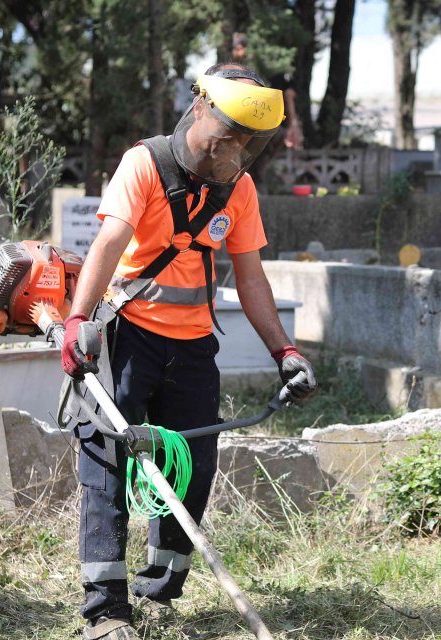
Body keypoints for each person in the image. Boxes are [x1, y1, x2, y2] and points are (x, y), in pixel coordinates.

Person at [59, 62, 318, 640]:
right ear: (198, 107)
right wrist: (79, 320)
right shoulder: (145, 164)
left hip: (195, 345)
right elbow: (109, 242)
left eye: (244, 147)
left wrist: (285, 352)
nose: (232, 156)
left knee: (194, 466)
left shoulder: (239, 189)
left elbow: (250, 278)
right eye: (226, 140)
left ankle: (161, 589)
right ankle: (105, 610)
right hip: (130, 336)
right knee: (109, 461)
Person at [231, 32, 302, 191]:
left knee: (250, 163)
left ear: (240, 48)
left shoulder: (247, 69)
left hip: (259, 127)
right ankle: (256, 188)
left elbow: (287, 95)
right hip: (274, 127)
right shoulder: (269, 65)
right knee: (256, 163)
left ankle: (253, 190)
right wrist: (293, 126)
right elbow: (289, 95)